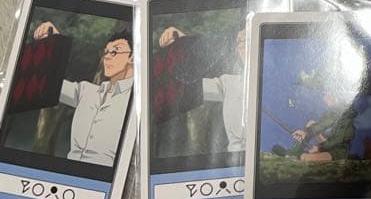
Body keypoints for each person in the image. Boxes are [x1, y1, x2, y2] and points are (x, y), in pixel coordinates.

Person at [31, 22, 132, 167]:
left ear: (132, 57)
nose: (107, 57)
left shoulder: (135, 102)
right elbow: (49, 84)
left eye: (115, 52)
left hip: (104, 176)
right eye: (106, 52)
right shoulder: (86, 90)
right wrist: (55, 43)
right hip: (68, 172)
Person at [157, 25, 246, 153]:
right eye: (238, 41)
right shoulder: (229, 83)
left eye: (246, 39)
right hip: (235, 160)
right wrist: (182, 42)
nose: (241, 46)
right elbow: (192, 86)